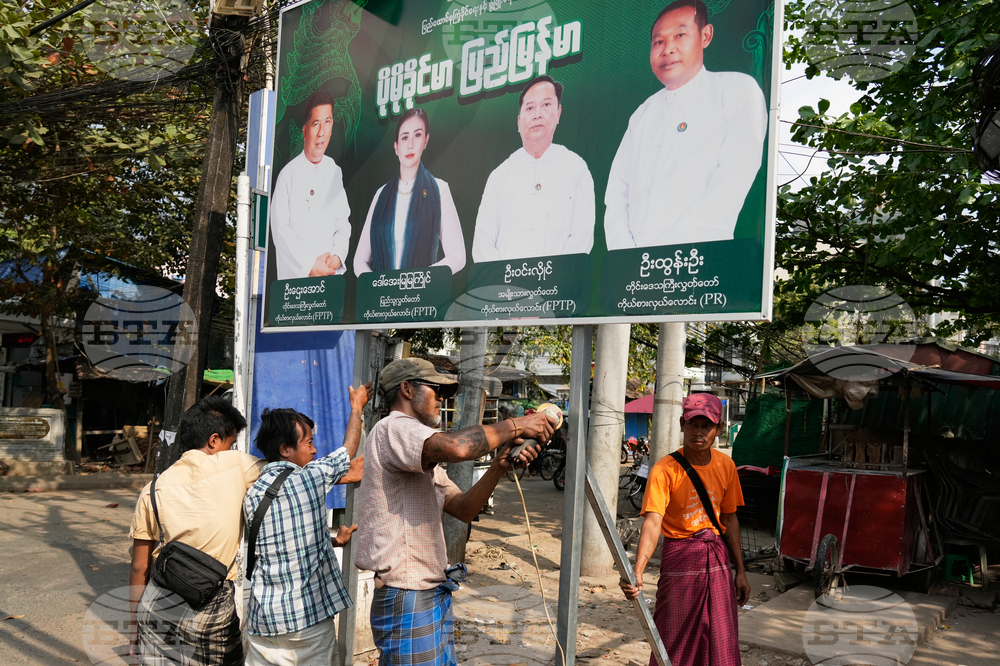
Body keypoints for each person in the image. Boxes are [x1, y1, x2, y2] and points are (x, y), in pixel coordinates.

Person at [354, 357, 556, 666]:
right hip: (408, 596)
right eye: (437, 391)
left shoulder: (419, 450)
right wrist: (516, 425)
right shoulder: (394, 428)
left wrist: (499, 467)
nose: (442, 401)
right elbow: (459, 448)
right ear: (407, 389)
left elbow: (463, 508)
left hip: (429, 593)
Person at [604, 0, 768, 250]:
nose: (668, 49)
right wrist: (625, 255)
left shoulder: (736, 90)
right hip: (633, 273)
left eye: (680, 35)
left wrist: (665, 256)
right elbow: (617, 193)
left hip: (700, 267)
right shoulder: (643, 114)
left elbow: (730, 185)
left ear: (706, 35)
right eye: (659, 41)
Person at [129, 396, 262, 665]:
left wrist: (133, 628)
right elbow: (285, 476)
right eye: (231, 443)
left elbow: (138, 567)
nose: (232, 449)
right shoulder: (237, 465)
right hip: (211, 611)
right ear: (214, 440)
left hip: (157, 606)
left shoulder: (152, 490)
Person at [243, 383, 370, 666]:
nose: (314, 450)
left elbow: (281, 542)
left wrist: (334, 541)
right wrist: (356, 407)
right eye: (308, 442)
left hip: (263, 623)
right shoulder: (310, 478)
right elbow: (348, 449)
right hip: (307, 626)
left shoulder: (252, 493)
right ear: (285, 449)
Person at [619, 393, 749, 666]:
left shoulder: (726, 466)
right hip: (680, 559)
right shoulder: (664, 469)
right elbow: (653, 521)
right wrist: (638, 569)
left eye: (706, 426)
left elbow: (730, 519)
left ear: (719, 429)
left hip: (717, 561)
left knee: (719, 635)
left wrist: (741, 571)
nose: (698, 432)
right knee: (672, 634)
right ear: (682, 424)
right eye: (693, 424)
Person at [471, 75, 595, 262]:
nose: (537, 114)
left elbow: (582, 237)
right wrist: (504, 284)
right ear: (519, 122)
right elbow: (483, 243)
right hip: (506, 288)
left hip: (558, 286)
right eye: (530, 108)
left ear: (558, 113)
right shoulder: (500, 177)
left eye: (546, 105)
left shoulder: (576, 168)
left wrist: (551, 278)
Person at [354, 108, 466, 275]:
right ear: (396, 147)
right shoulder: (381, 195)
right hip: (382, 297)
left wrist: (420, 279)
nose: (411, 144)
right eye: (405, 137)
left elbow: (458, 256)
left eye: (418, 135)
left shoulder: (439, 189)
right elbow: (359, 261)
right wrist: (377, 285)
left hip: (422, 295)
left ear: (426, 141)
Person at [270, 89, 352, 280]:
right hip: (297, 284)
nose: (322, 132)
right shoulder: (288, 175)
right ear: (305, 131)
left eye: (327, 122)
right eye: (316, 124)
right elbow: (281, 231)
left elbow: (343, 222)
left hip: (329, 280)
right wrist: (310, 265)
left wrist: (338, 256)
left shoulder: (334, 171)